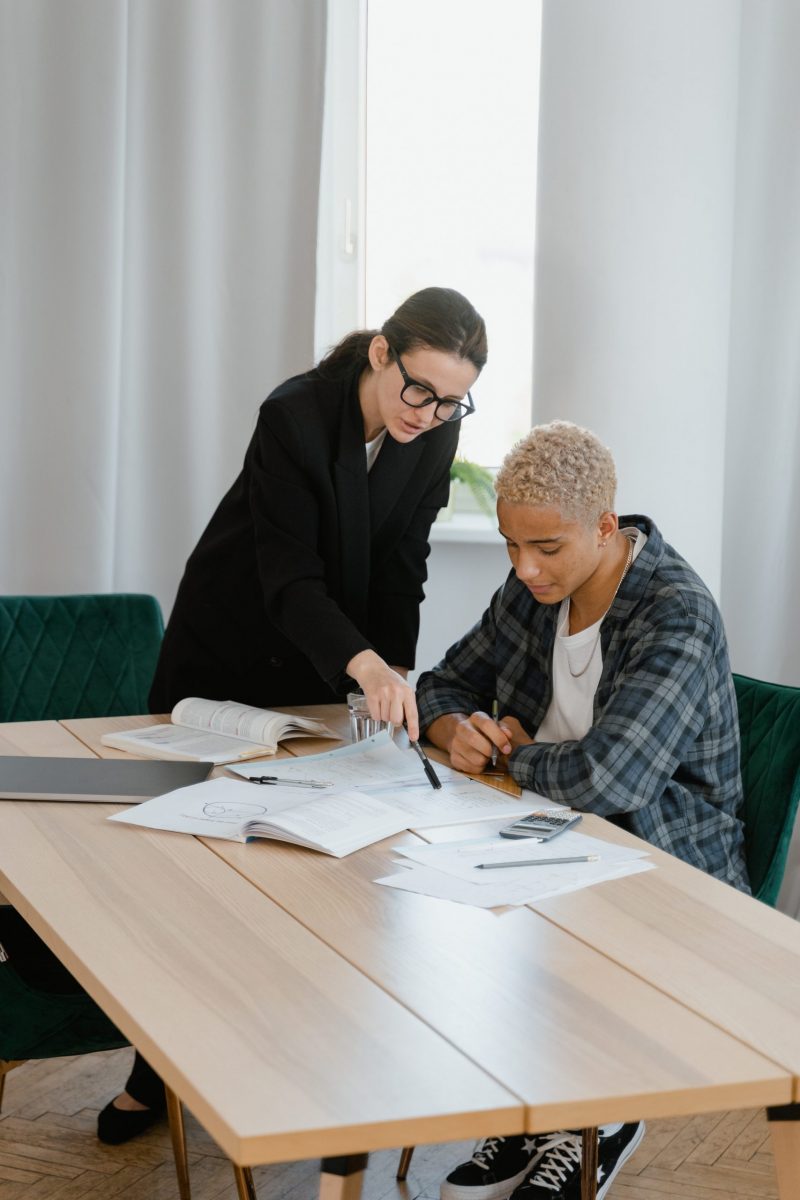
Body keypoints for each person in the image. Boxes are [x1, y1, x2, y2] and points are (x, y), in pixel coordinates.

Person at [97, 287, 487, 1145]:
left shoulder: (439, 429)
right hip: (231, 646)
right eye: (418, 390)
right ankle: (150, 1069)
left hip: (329, 654)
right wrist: (364, 665)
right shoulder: (294, 414)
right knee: (193, 870)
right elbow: (287, 576)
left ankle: (285, 1059)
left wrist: (390, 683)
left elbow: (402, 567)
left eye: (452, 399)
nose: (430, 414)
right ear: (383, 353)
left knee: (309, 866)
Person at [415, 420, 749, 1200]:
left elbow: (613, 778)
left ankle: (599, 1117)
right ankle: (539, 1104)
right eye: (509, 546)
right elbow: (441, 682)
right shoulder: (535, 587)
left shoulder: (677, 614)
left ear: (605, 526)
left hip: (663, 855)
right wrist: (455, 731)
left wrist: (508, 756)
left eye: (546, 549)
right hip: (551, 829)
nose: (525, 569)